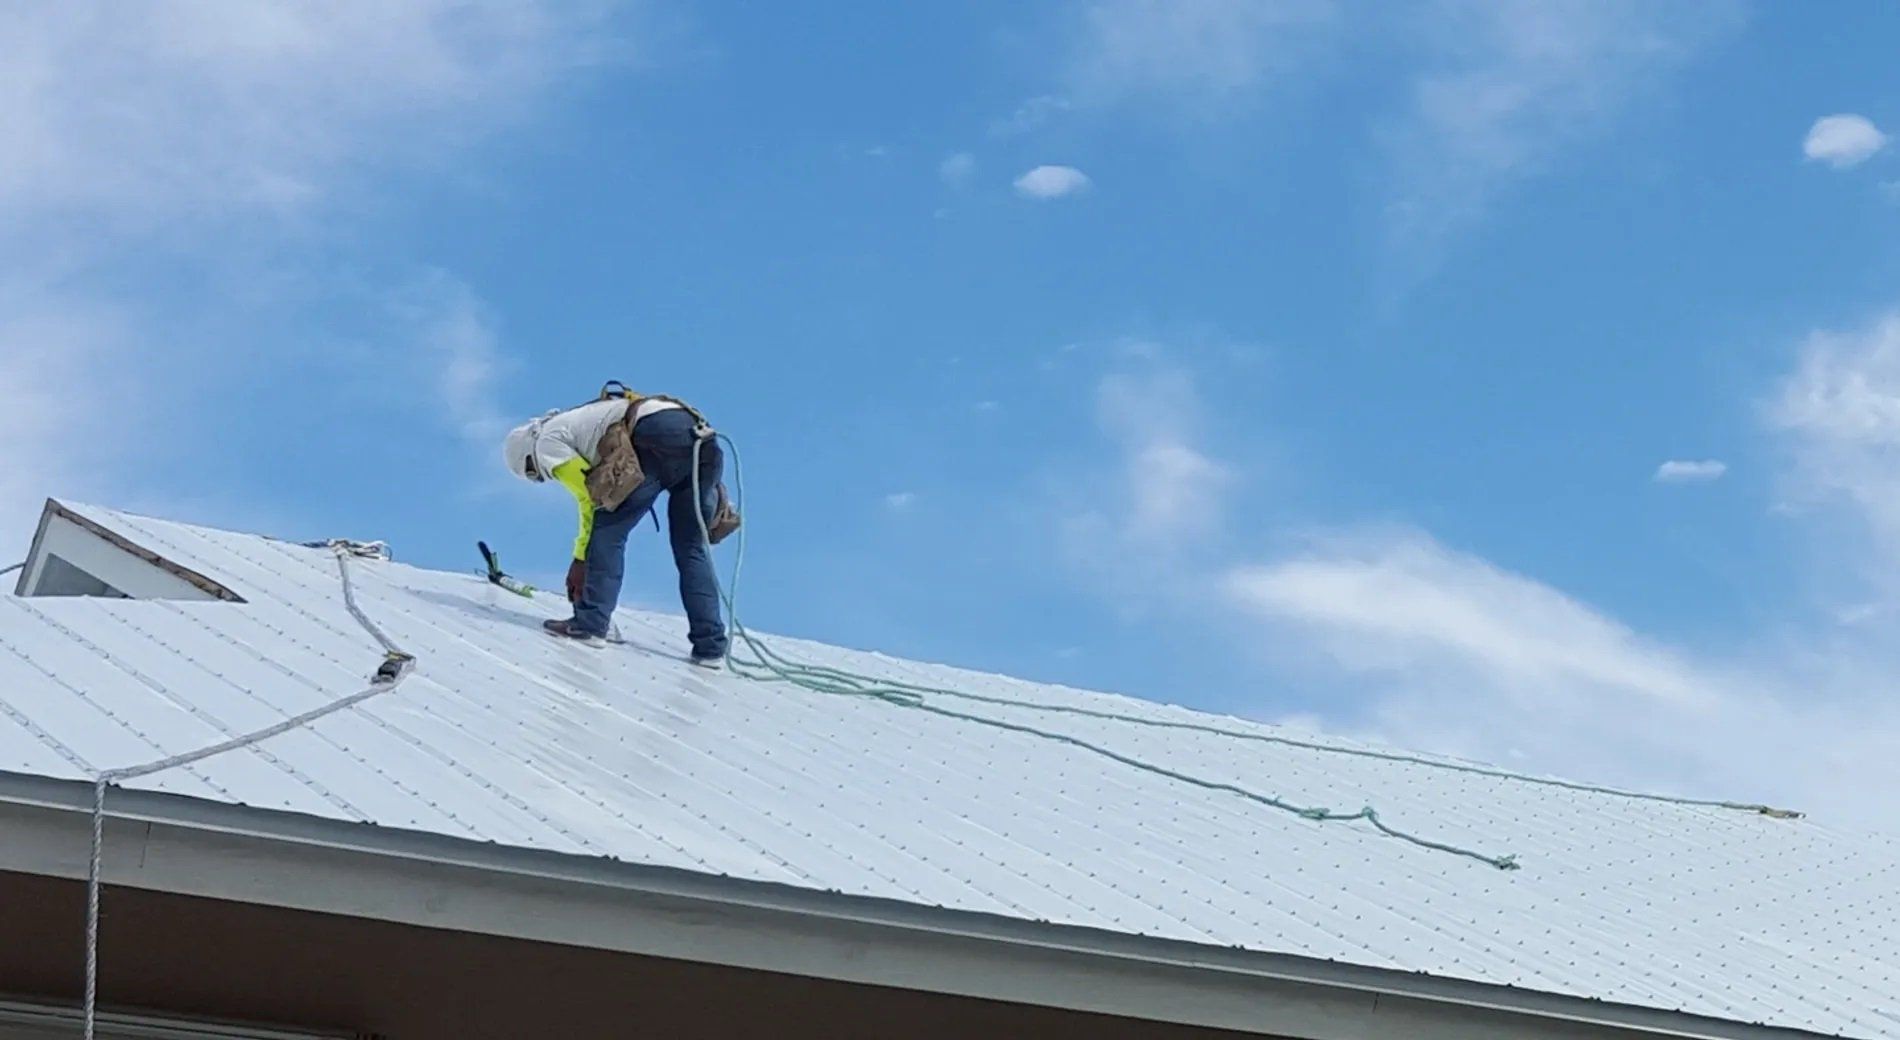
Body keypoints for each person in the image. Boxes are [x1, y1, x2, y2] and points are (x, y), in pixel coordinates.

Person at [502, 390, 729, 666]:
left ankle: (591, 624)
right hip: (702, 442)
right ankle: (710, 648)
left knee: (608, 532)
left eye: (533, 474)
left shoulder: (546, 444)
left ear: (528, 454)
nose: (544, 478)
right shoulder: (577, 421)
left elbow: (590, 497)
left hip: (657, 437)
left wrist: (580, 558)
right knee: (691, 548)